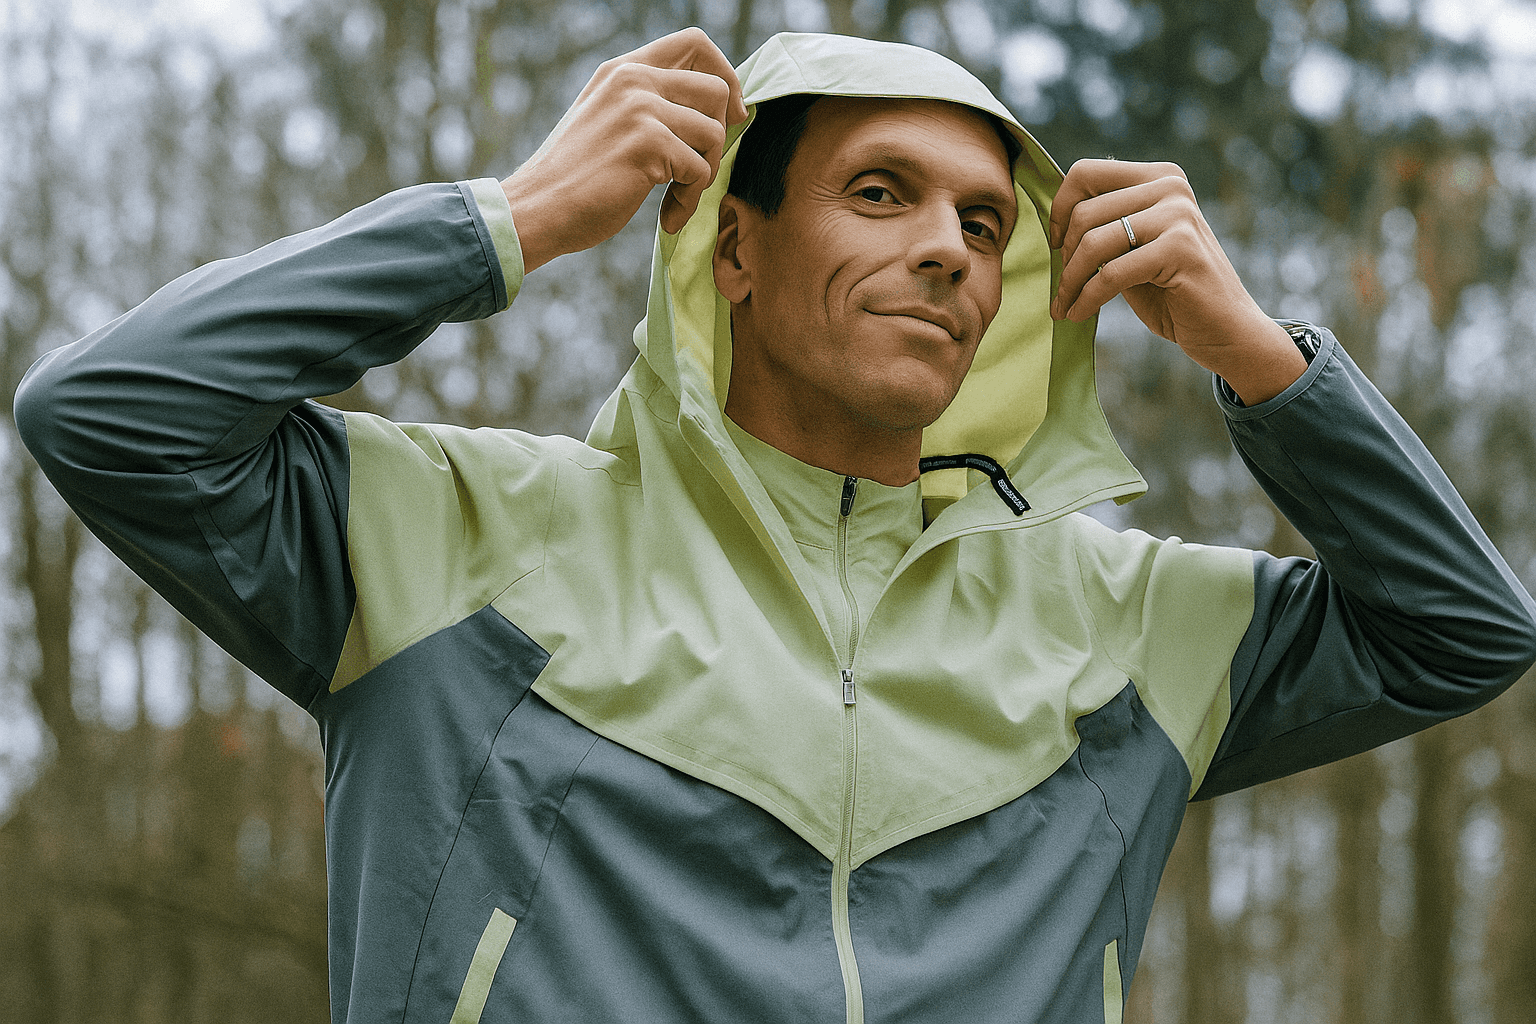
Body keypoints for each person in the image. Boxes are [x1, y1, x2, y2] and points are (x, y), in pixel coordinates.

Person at [15, 26, 1536, 1024]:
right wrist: (518, 216)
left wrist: (1258, 354)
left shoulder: (1122, 624)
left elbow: (1465, 627)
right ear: (730, 248)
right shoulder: (454, 535)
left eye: (985, 223)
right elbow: (108, 415)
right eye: (881, 192)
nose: (948, 249)